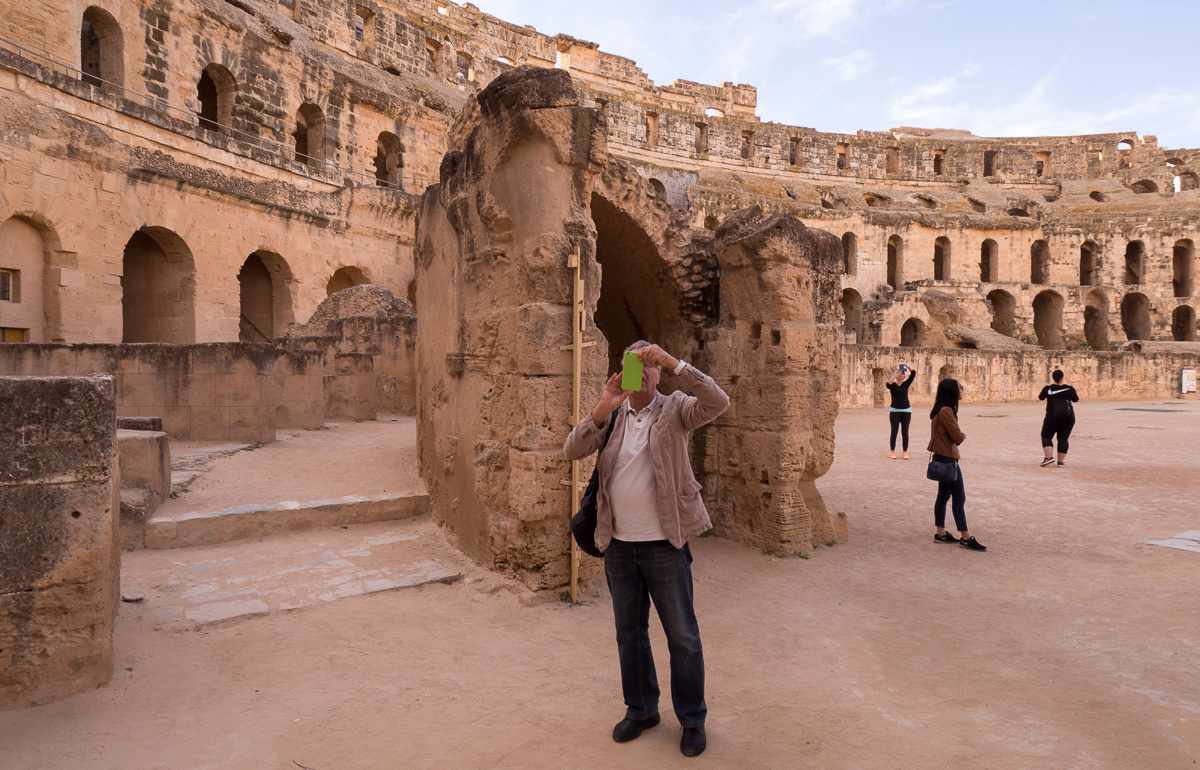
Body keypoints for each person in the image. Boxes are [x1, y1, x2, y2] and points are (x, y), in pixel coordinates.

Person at [563, 340, 729, 758]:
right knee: (629, 635)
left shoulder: (675, 408)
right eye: (633, 364)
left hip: (664, 545)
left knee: (683, 637)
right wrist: (602, 407)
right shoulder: (614, 415)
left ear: (657, 372)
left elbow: (718, 400)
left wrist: (675, 363)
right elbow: (572, 450)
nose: (642, 372)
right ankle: (641, 709)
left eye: (649, 365)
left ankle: (692, 719)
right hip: (618, 545)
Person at [927, 378, 986, 551]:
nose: (962, 390)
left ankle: (941, 532)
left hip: (942, 456)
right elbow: (958, 437)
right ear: (953, 391)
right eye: (960, 387)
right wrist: (964, 434)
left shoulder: (942, 410)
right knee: (959, 498)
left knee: (944, 496)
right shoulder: (946, 412)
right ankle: (965, 536)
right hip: (947, 458)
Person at [1038, 369, 1079, 467]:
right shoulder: (1070, 389)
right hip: (1068, 417)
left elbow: (1041, 397)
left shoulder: (1048, 389)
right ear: (1062, 377)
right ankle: (1060, 462)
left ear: (1053, 377)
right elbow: (1076, 399)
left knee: (1046, 436)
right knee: (1063, 438)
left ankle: (1048, 457)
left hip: (1052, 417)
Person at [886, 364, 916, 459]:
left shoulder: (906, 384)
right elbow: (887, 385)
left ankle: (905, 452)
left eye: (902, 373)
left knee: (905, 432)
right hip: (894, 411)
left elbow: (913, 373)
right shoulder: (893, 385)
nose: (900, 374)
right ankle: (892, 451)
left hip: (906, 411)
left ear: (904, 376)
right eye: (899, 373)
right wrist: (894, 375)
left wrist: (906, 365)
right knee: (894, 432)